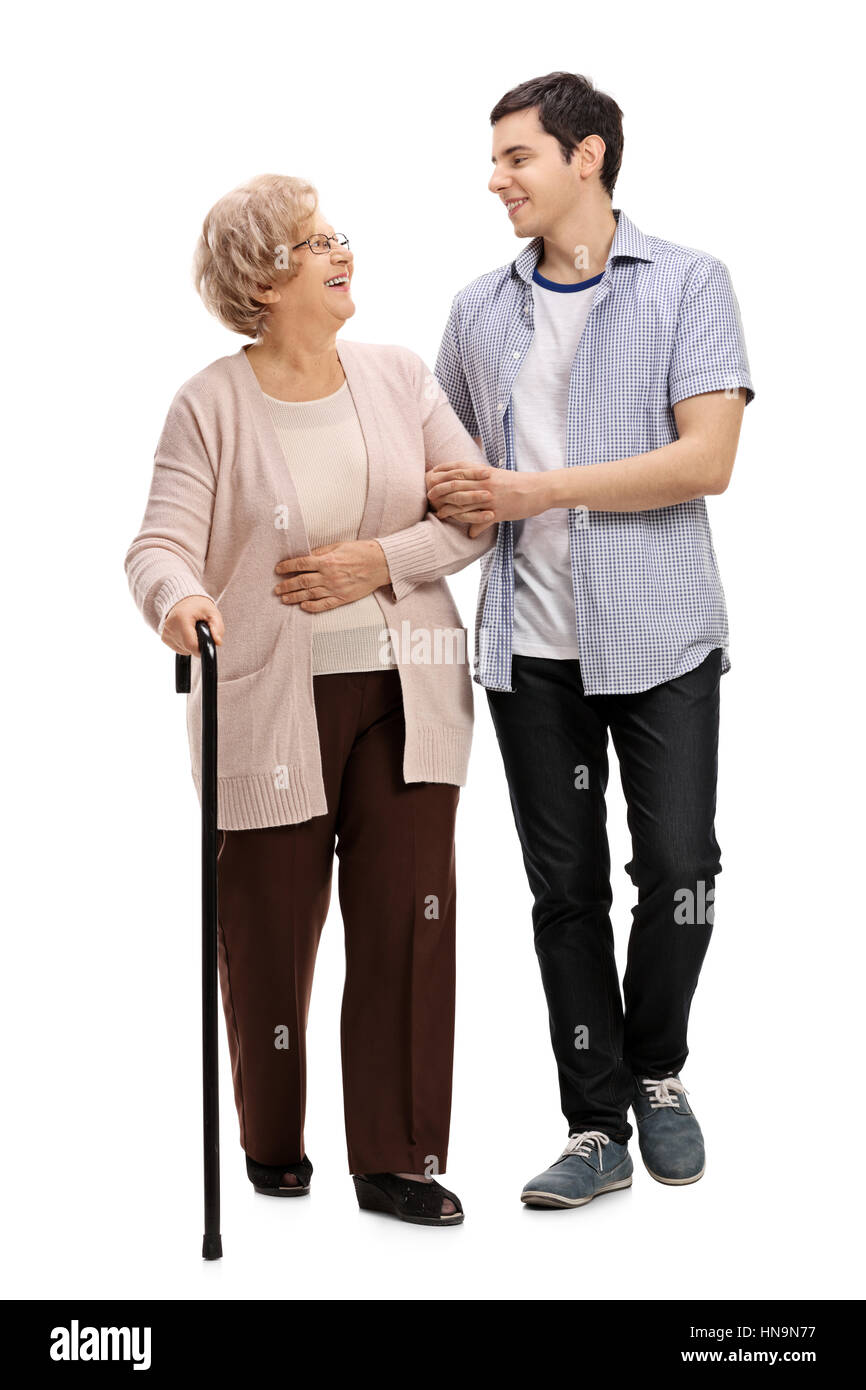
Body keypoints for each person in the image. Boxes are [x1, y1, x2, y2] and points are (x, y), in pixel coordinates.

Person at [124, 174, 495, 1226]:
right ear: (264, 277)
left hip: (407, 692)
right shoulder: (208, 403)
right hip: (268, 703)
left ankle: (397, 1157)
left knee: (407, 924)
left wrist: (374, 560)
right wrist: (181, 594)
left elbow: (471, 515)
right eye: (316, 239)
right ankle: (272, 1138)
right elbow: (157, 542)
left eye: (339, 234)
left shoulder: (398, 376)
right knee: (268, 929)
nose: (343, 251)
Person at [427, 73, 754, 1208]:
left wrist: (539, 490)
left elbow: (703, 458)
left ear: (587, 157)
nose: (495, 178)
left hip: (662, 636)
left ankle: (657, 1069)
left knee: (676, 873)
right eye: (494, 157)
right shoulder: (476, 311)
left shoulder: (687, 284)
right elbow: (460, 495)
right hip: (531, 651)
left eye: (515, 156)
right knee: (562, 893)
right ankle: (595, 1120)